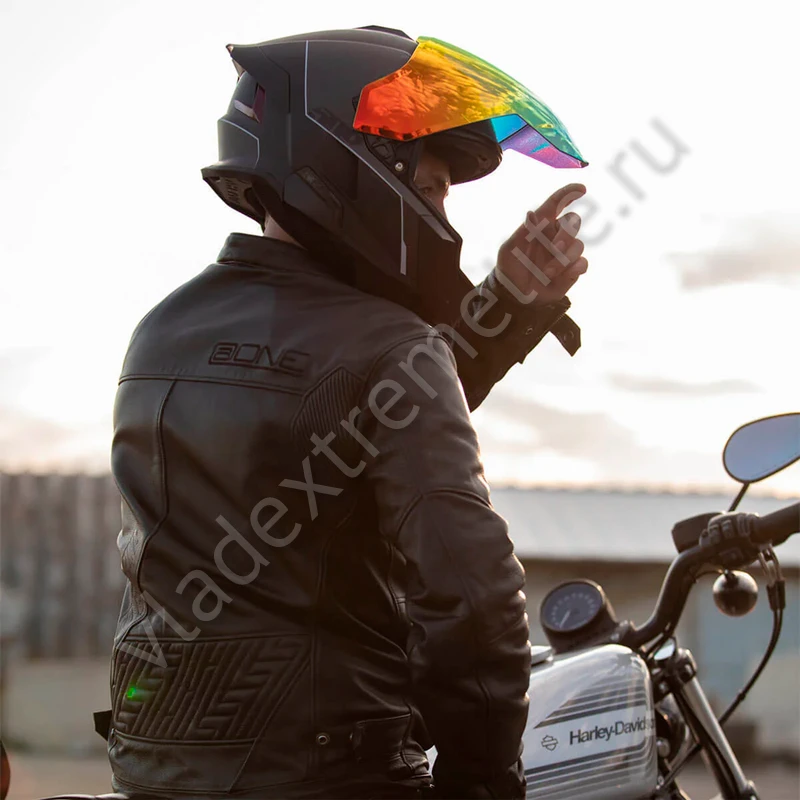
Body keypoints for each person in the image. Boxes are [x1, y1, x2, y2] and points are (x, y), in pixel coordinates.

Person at [102, 25, 588, 800]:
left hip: (154, 766)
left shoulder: (159, 332)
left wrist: (507, 304)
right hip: (334, 772)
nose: (441, 214)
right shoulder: (388, 345)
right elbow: (473, 602)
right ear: (357, 164)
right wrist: (483, 783)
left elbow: (344, 433)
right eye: (433, 187)